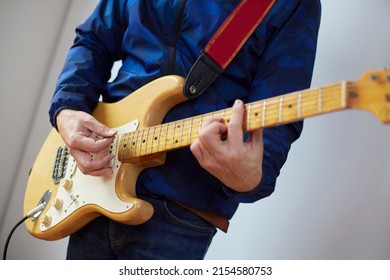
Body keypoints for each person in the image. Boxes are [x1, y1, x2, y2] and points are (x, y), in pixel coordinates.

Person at [49, 0, 321, 259]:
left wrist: (250, 178)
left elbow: (278, 113)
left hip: (181, 213)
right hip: (96, 183)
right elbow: (93, 40)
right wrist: (68, 109)